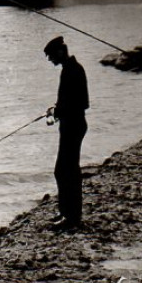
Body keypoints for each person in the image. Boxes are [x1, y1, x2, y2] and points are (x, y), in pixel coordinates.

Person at [44, 36, 89, 231]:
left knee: (64, 171)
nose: (50, 60)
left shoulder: (72, 71)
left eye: (51, 56)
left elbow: (81, 103)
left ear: (61, 52)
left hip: (74, 126)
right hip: (73, 125)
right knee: (68, 170)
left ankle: (70, 217)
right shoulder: (72, 69)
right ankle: (69, 214)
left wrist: (57, 111)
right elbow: (73, 101)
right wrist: (58, 109)